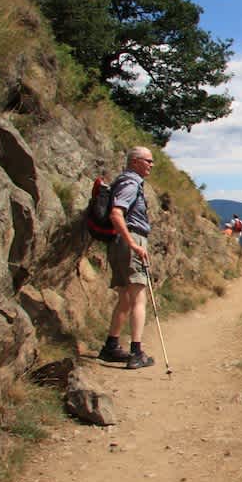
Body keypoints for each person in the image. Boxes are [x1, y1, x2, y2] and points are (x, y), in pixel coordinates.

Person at [97, 146, 157, 369]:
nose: (151, 165)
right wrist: (134, 244)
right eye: (148, 161)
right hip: (131, 240)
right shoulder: (131, 184)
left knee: (124, 297)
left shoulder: (122, 182)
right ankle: (136, 352)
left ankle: (111, 346)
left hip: (119, 242)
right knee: (138, 298)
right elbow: (116, 213)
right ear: (135, 162)